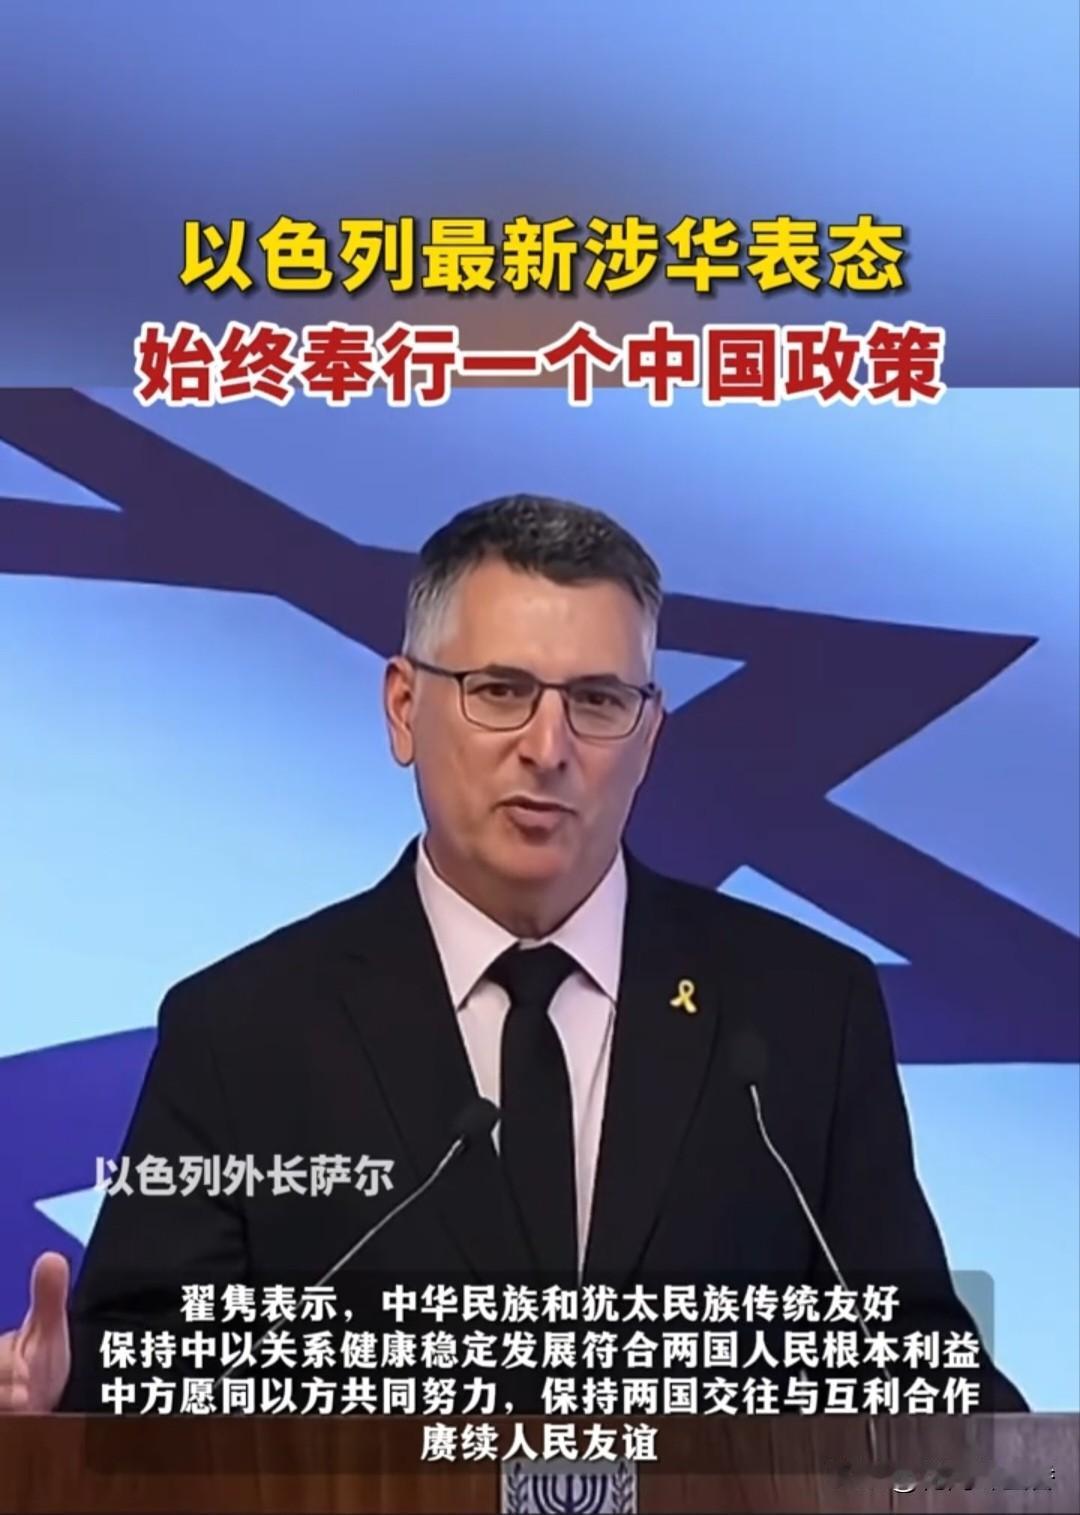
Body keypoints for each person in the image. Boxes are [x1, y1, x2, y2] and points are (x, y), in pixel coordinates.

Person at [0, 494, 1026, 1414]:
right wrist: (56, 1403)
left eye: (598, 701)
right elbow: (146, 1371)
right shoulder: (245, 1028)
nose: (548, 747)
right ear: (405, 708)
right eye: (499, 690)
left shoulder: (801, 1012)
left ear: (650, 735)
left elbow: (923, 1371)